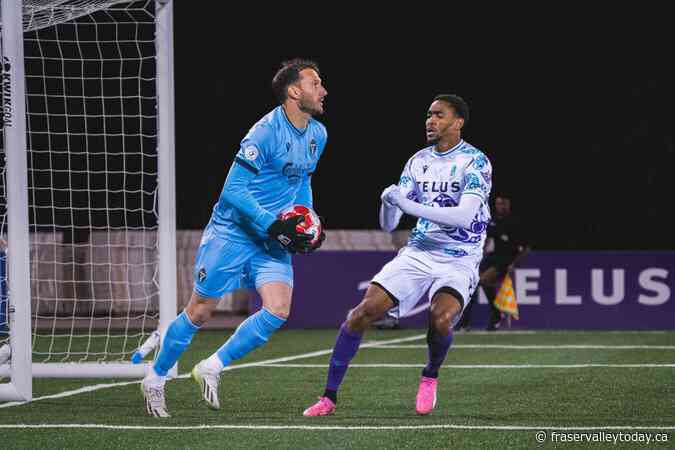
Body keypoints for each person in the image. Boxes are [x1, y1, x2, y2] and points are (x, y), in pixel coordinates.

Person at [141, 59, 328, 418]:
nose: (323, 90)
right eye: (315, 83)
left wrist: (309, 220)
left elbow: (302, 180)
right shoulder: (265, 132)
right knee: (199, 312)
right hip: (233, 232)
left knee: (278, 309)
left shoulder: (318, 134)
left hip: (272, 239)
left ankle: (212, 365)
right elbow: (233, 190)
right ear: (294, 91)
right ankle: (155, 378)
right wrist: (271, 223)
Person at [303, 94, 492, 417]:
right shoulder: (417, 161)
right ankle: (328, 397)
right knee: (361, 313)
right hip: (419, 252)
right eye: (428, 115)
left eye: (439, 115)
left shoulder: (476, 162)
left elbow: (463, 217)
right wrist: (388, 203)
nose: (430, 121)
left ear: (458, 122)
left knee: (441, 318)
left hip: (459, 256)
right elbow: (389, 225)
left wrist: (408, 205)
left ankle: (430, 375)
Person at [455, 195, 529, 331]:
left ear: (508, 205)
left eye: (503, 204)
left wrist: (514, 263)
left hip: (506, 259)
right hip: (491, 257)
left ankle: (488, 317)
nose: (500, 206)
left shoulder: (515, 222)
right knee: (472, 283)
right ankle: (472, 320)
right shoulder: (493, 220)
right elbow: (487, 239)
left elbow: (526, 248)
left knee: (480, 281)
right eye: (497, 204)